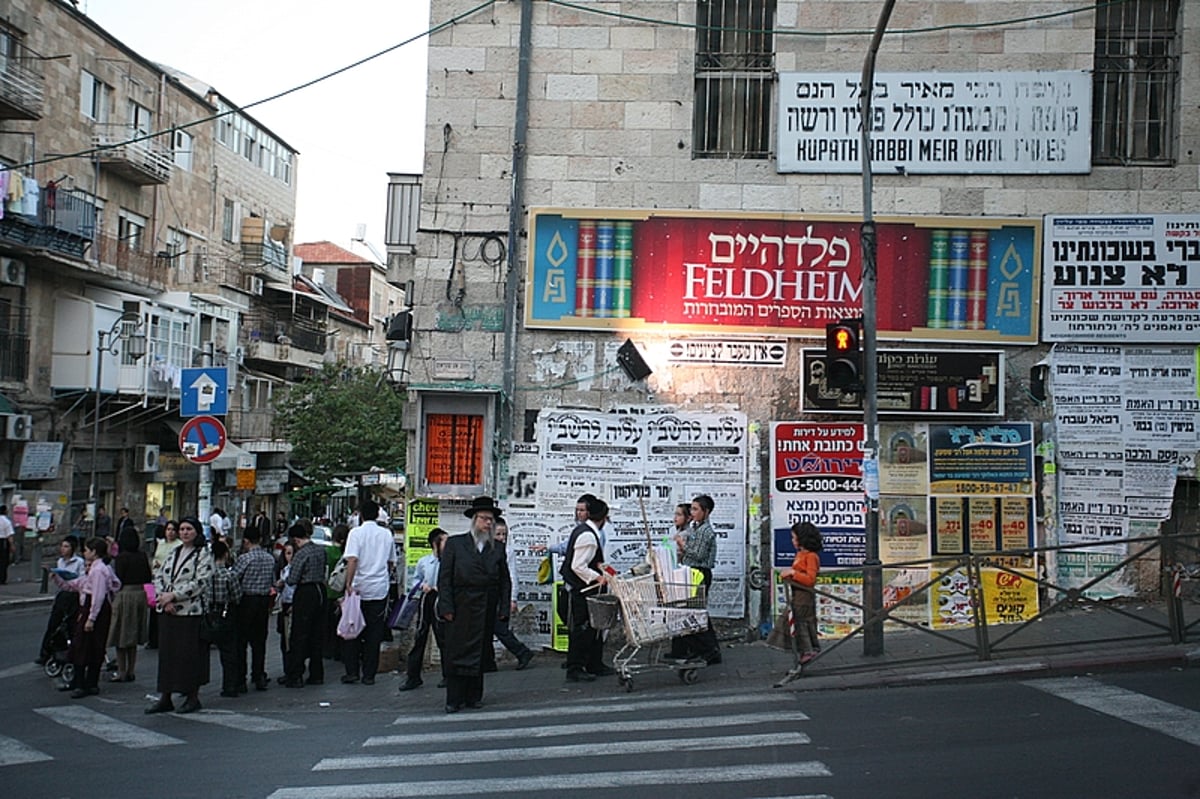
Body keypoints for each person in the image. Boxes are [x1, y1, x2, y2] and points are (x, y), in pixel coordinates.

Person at [437, 496, 511, 713]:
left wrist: (503, 608)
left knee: (480, 652)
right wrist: (446, 607)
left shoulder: (497, 548)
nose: (488, 524)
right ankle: (454, 698)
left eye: (491, 520)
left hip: (485, 605)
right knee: (456, 652)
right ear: (474, 520)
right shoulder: (455, 544)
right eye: (484, 519)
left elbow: (505, 580)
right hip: (460, 606)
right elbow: (445, 578)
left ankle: (473, 696)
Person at [147, 516, 213, 715]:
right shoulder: (174, 552)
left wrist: (174, 596)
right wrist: (163, 598)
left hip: (190, 612)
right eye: (182, 529)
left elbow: (201, 582)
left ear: (196, 532)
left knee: (189, 656)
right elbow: (159, 575)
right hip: (168, 611)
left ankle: (192, 697)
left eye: (189, 529)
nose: (184, 532)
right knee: (168, 655)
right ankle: (165, 696)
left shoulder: (203, 554)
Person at [51, 537, 120, 698]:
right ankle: (85, 682)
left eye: (87, 550)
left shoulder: (98, 570)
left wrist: (91, 617)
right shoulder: (99, 569)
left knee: (85, 645)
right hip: (91, 606)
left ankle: (84, 684)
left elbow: (97, 595)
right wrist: (59, 579)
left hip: (93, 608)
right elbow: (77, 584)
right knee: (89, 645)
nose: (84, 553)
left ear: (94, 552)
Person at [341, 500, 395, 685]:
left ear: (361, 515)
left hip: (358, 589)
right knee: (374, 632)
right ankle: (369, 674)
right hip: (379, 588)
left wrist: (348, 583)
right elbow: (390, 562)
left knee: (352, 628)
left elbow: (352, 560)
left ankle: (352, 671)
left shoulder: (355, 533)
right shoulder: (386, 534)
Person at [561, 495, 614, 682]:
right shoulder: (588, 536)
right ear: (604, 518)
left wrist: (605, 570)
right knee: (582, 629)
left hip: (585, 589)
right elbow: (578, 566)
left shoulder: (587, 532)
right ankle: (575, 668)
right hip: (581, 590)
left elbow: (592, 561)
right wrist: (597, 577)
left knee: (594, 627)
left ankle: (595, 663)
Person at [670, 494, 722, 665]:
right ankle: (707, 649)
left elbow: (698, 554)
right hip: (691, 572)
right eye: (691, 509)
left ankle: (709, 650)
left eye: (695, 509)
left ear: (706, 512)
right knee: (694, 611)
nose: (692, 512)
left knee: (695, 612)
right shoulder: (696, 528)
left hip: (699, 572)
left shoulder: (705, 531)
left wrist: (682, 545)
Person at [398, 528, 448, 692]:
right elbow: (416, 580)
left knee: (444, 639)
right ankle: (413, 677)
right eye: (444, 541)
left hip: (442, 601)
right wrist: (422, 586)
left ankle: (448, 675)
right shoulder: (424, 561)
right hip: (427, 600)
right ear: (436, 544)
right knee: (420, 637)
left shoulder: (449, 561)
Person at [282, 520, 326, 688]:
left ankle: (296, 674)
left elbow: (292, 579)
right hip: (320, 590)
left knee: (299, 634)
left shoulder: (301, 554)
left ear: (296, 539)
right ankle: (317, 673)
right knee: (316, 633)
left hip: (305, 592)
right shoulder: (320, 550)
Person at [232, 525, 275, 692]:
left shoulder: (245, 558)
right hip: (263, 600)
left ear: (246, 541)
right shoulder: (269, 558)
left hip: (246, 600)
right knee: (259, 641)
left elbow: (235, 577)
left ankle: (240, 679)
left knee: (241, 641)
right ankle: (258, 675)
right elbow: (272, 579)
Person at [106, 527, 152, 682]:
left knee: (121, 635)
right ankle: (131, 670)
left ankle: (121, 670)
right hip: (140, 594)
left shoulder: (122, 558)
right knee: (133, 636)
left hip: (125, 594)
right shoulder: (142, 556)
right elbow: (148, 576)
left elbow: (118, 579)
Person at [489, 517, 535, 671]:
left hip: (503, 597)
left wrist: (512, 599)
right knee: (487, 628)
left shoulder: (507, 552)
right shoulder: (487, 550)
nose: (502, 538)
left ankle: (522, 652)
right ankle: (488, 662)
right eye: (498, 534)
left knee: (499, 628)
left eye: (504, 534)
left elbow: (512, 576)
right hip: (490, 596)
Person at [36, 536, 85, 665]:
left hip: (74, 595)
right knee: (53, 624)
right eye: (62, 546)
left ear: (72, 548)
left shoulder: (79, 562)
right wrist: (56, 577)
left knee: (71, 626)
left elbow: (81, 580)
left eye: (66, 546)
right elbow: (61, 583)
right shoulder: (60, 562)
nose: (63, 549)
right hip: (63, 594)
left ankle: (70, 653)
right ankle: (46, 653)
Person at [780, 521, 823, 666]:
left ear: (802, 539)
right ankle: (805, 649)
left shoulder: (811, 556)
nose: (792, 541)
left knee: (802, 622)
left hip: (804, 595)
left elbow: (810, 579)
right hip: (797, 593)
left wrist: (793, 573)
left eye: (794, 538)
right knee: (799, 620)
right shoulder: (800, 554)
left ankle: (808, 649)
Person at [207, 540, 243, 698]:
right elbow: (237, 597)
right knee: (229, 653)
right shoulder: (230, 575)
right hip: (226, 613)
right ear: (226, 554)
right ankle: (230, 686)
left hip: (209, 614)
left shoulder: (206, 574)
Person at [324, 523, 349, 659]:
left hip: (329, 590)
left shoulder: (327, 552)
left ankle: (328, 649)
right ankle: (339, 651)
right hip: (342, 593)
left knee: (328, 624)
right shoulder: (346, 554)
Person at [274, 542, 295, 681]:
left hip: (293, 604)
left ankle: (292, 670)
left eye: (292, 553)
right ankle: (287, 669)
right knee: (284, 639)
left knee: (292, 639)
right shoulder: (283, 570)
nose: (290, 556)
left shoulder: (296, 570)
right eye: (287, 553)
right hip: (284, 604)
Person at [0, 504, 14, 584]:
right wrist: (12, 545)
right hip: (3, 541)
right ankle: (2, 578)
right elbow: (9, 535)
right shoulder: (6, 521)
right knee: (3, 561)